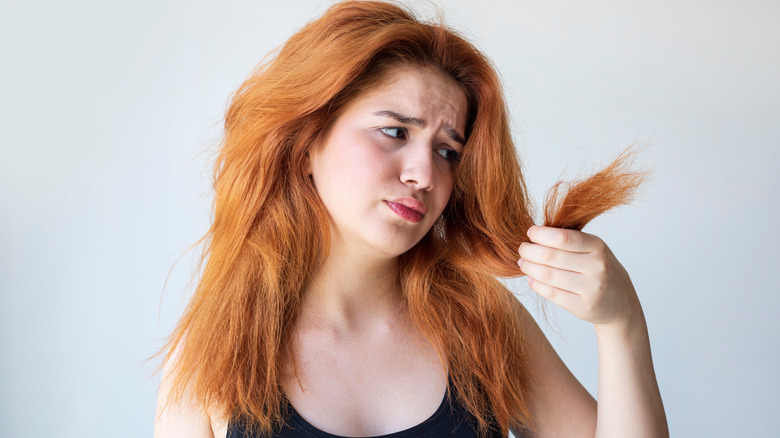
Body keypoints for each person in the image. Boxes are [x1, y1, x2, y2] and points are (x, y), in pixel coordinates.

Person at [154, 1, 668, 437]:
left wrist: (621, 324)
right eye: (396, 132)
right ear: (308, 140)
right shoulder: (214, 350)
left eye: (448, 152)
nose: (424, 173)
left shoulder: (483, 321)